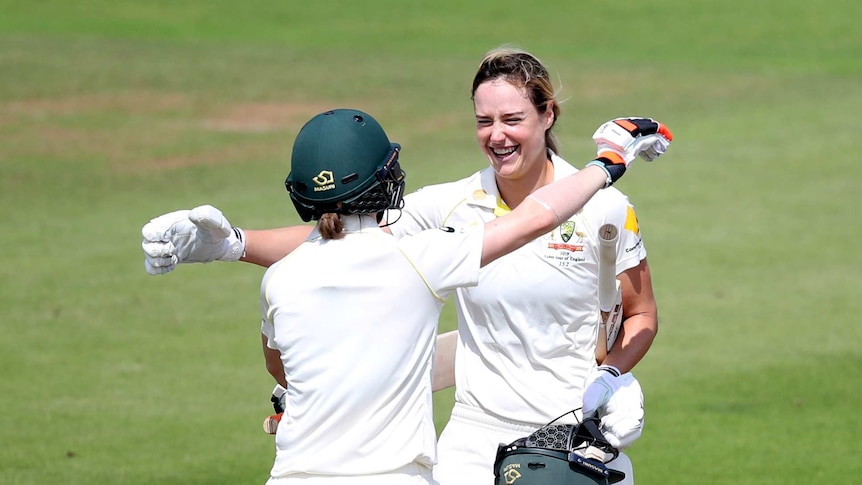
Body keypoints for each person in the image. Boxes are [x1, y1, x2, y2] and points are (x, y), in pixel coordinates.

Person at [141, 47, 673, 484]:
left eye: (513, 119)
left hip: (574, 433)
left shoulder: (605, 208)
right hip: (474, 434)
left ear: (547, 114)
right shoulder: (447, 208)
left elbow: (640, 315)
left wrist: (611, 376)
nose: (497, 135)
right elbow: (341, 240)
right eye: (484, 121)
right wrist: (232, 243)